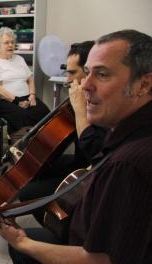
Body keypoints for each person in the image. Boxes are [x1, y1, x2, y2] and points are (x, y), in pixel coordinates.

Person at [0, 29, 152, 264]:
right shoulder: (128, 131)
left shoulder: (129, 163)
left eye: (102, 74)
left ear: (144, 84)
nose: (83, 85)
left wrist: (25, 243)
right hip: (94, 242)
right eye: (85, 73)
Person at [18, 41, 107, 221]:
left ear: (90, 72)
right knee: (36, 172)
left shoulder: (102, 105)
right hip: (79, 161)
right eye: (67, 71)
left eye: (73, 72)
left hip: (90, 171)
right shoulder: (82, 99)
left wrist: (80, 110)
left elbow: (94, 151)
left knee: (29, 193)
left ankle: (61, 229)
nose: (67, 79)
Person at [0, 27, 49, 143]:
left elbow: (30, 78)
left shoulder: (19, 59)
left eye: (12, 42)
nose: (10, 45)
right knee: (21, 115)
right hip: (6, 101)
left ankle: (38, 142)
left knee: (44, 111)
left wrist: (32, 95)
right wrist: (17, 101)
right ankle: (20, 144)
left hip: (27, 97)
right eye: (6, 43)